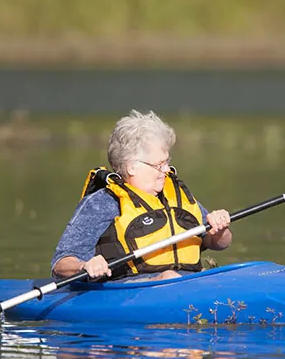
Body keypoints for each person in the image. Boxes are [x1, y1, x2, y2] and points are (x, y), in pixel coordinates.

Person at [51, 110, 232, 282]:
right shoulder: (102, 203)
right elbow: (60, 264)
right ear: (131, 166)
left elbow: (220, 243)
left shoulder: (176, 194)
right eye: (159, 164)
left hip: (187, 280)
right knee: (168, 277)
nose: (167, 170)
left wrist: (219, 229)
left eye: (167, 162)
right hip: (131, 289)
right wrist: (84, 265)